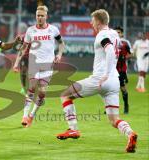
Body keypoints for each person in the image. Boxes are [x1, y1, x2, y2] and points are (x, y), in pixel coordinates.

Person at [56, 9, 137, 153]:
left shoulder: (102, 34)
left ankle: (73, 129)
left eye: (92, 20)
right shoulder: (114, 34)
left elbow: (110, 50)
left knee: (65, 94)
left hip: (101, 79)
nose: (91, 23)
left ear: (98, 21)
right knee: (114, 119)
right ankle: (130, 134)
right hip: (114, 81)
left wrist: (105, 74)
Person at [13, 5, 65, 127]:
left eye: (42, 16)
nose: (40, 18)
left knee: (42, 92)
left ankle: (32, 115)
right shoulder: (30, 30)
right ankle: (25, 116)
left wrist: (59, 54)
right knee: (31, 87)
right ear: (35, 16)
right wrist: (16, 63)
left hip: (48, 65)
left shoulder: (53, 29)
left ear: (46, 16)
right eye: (38, 16)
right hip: (34, 64)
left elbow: (61, 43)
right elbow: (23, 48)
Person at [115, 26, 132, 114]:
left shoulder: (125, 42)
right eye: (116, 32)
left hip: (121, 69)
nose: (117, 34)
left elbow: (131, 54)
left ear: (122, 33)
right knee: (110, 88)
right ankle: (110, 109)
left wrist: (124, 57)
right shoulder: (111, 42)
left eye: (119, 32)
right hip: (112, 69)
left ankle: (126, 105)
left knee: (122, 88)